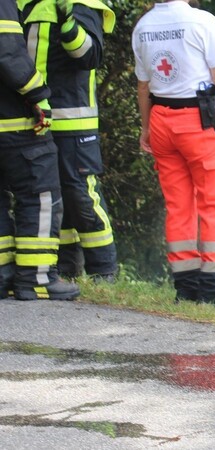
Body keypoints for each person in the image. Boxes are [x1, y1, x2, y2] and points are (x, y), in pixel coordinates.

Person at [133, 0, 215, 305]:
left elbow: (143, 87)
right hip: (199, 122)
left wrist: (146, 129)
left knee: (179, 205)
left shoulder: (143, 26)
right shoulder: (202, 21)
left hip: (161, 120)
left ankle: (187, 288)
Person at [18, 0, 118, 282]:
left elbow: (89, 55)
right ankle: (65, 267)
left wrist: (68, 21)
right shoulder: (22, 3)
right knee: (51, 195)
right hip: (35, 118)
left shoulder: (81, 4)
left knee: (81, 195)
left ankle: (104, 270)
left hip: (73, 119)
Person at [0, 0, 79, 300]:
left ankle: (3, 275)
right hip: (13, 120)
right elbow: (7, 51)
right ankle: (37, 277)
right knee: (41, 193)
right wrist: (37, 94)